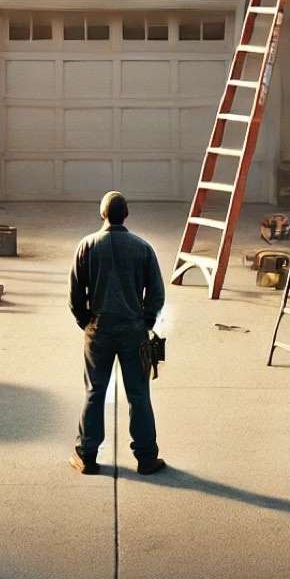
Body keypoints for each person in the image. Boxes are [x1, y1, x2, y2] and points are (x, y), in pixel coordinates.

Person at [69, 190, 166, 475]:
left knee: (95, 391)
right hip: (134, 330)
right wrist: (143, 323)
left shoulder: (87, 246)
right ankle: (146, 458)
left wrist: (87, 322)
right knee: (138, 394)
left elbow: (75, 295)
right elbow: (157, 295)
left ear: (103, 214)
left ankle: (87, 456)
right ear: (126, 215)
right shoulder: (143, 248)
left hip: (99, 330)